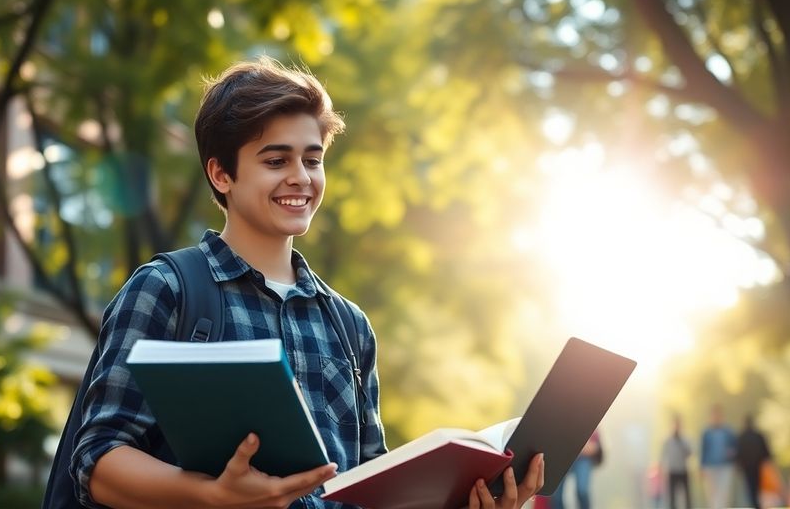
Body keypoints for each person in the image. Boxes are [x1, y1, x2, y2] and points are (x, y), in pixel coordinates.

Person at [50, 57, 544, 509]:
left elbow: (371, 488)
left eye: (312, 159)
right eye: (275, 160)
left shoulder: (349, 325)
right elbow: (96, 461)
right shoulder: (167, 289)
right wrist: (214, 496)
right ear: (221, 173)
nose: (300, 178)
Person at [549, 430, 600, 509]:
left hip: (582, 457)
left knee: (582, 490)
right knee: (556, 495)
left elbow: (594, 447)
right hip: (562, 456)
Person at [700, 404, 736, 509]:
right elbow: (703, 450)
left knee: (724, 493)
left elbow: (735, 447)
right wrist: (701, 467)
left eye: (718, 415)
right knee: (712, 494)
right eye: (714, 415)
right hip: (710, 467)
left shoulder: (728, 431)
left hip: (725, 466)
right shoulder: (706, 432)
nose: (716, 417)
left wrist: (732, 454)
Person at [735, 414, 772, 509]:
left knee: (751, 488)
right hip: (758, 466)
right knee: (758, 487)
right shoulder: (758, 435)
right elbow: (766, 452)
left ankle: (755, 504)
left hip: (748, 468)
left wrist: (738, 466)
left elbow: (738, 453)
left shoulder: (741, 437)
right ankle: (757, 504)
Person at [660, 413, 692, 509]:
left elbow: (689, 453)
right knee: (672, 497)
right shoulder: (667, 440)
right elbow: (663, 455)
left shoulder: (685, 439)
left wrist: (681, 442)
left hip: (683, 470)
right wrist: (662, 469)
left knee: (687, 496)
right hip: (672, 470)